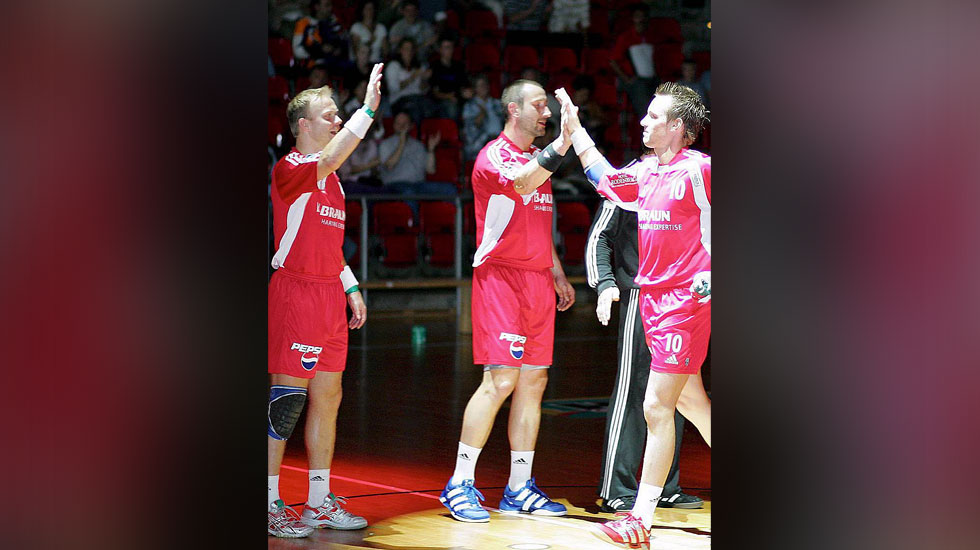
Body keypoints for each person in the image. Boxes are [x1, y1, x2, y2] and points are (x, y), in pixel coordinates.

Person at [557, 82, 710, 547]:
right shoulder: (644, 173)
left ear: (677, 127)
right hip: (651, 300)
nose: (643, 122)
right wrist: (576, 129)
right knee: (692, 404)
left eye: (653, 117)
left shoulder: (700, 169)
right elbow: (602, 177)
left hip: (687, 301)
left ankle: (640, 517)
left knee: (655, 405)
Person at [439, 79, 576, 523]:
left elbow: (537, 221)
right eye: (539, 106)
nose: (547, 114)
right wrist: (562, 145)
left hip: (537, 280)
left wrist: (556, 271)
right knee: (500, 381)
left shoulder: (539, 162)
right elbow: (521, 185)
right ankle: (458, 483)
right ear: (514, 110)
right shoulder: (494, 156)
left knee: (533, 382)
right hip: (501, 279)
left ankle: (519, 487)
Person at [266, 63, 386, 538]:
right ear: (304, 125)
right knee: (285, 402)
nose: (337, 120)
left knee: (329, 397)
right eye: (330, 114)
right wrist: (368, 111)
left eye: (341, 114)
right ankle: (270, 499)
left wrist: (350, 286)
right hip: (295, 292)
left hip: (327, 295)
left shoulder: (332, 181)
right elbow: (332, 158)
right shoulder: (293, 168)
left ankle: (318, 501)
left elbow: (330, 247)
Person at [587, 159, 711, 512]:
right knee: (635, 391)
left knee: (678, 396)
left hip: (684, 299)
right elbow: (600, 236)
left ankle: (664, 487)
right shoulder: (631, 176)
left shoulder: (693, 172)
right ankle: (617, 486)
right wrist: (606, 285)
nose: (645, 123)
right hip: (641, 294)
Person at [609, 4, 659, 119]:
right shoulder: (625, 38)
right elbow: (613, 61)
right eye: (638, 16)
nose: (641, 19)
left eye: (643, 16)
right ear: (633, 18)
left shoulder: (651, 36)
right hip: (636, 81)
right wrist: (626, 78)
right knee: (646, 109)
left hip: (652, 79)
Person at [461, 74, 504, 161]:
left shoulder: (496, 103)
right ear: (475, 89)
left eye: (485, 84)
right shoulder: (470, 106)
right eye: (480, 85)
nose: (483, 87)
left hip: (500, 142)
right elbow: (471, 130)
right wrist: (482, 113)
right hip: (480, 144)